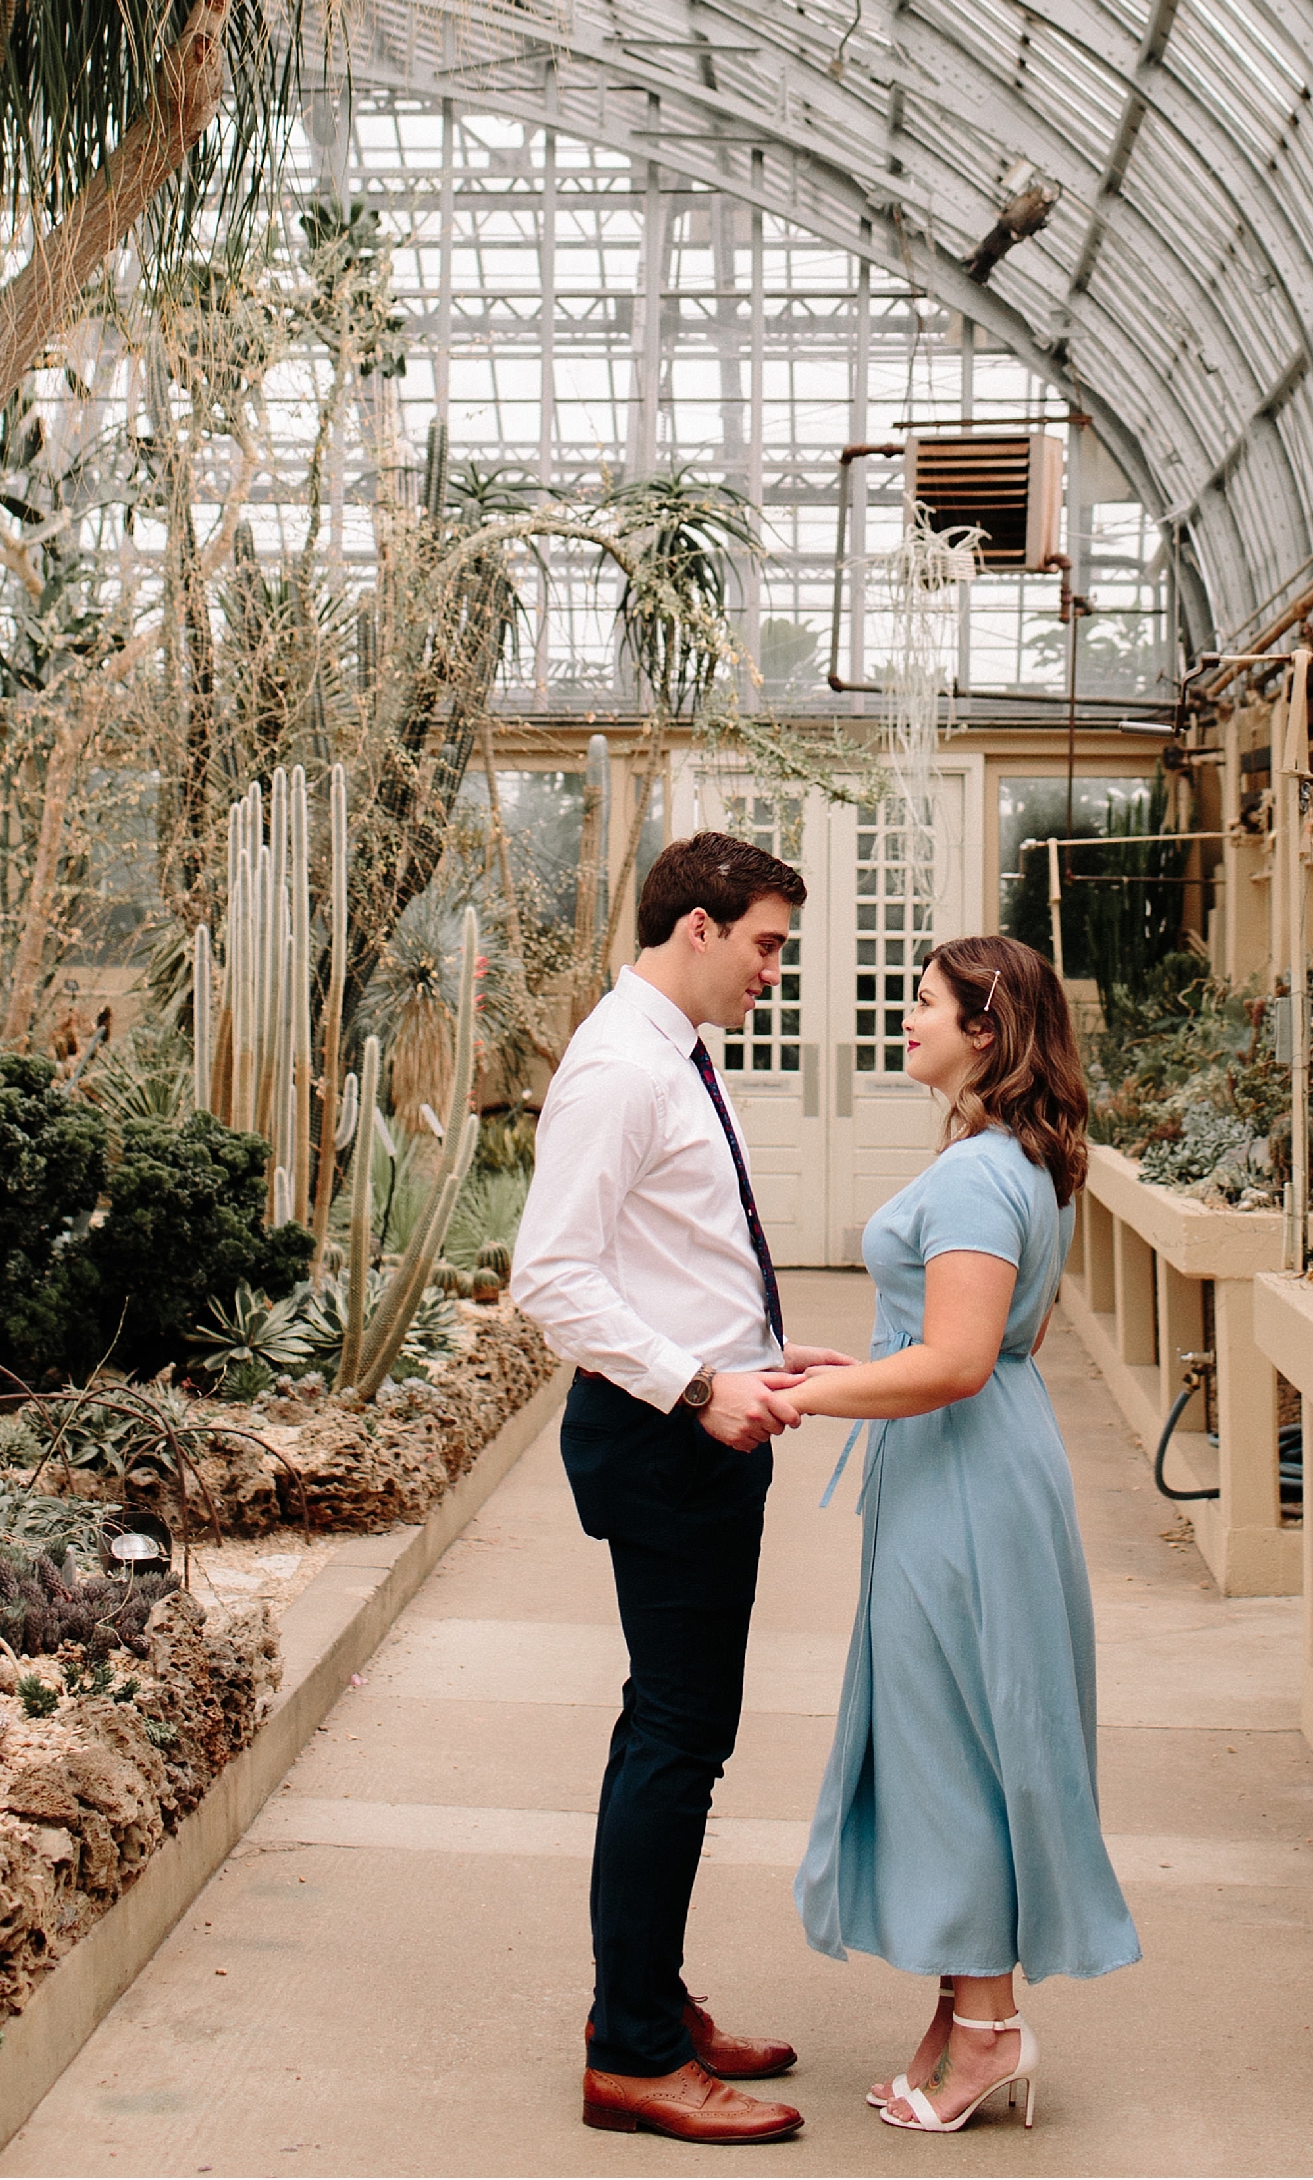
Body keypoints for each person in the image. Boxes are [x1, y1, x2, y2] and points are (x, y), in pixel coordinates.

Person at [514, 829, 850, 2147]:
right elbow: (555, 1276)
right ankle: (634, 2052)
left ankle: (647, 1998)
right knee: (677, 1733)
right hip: (664, 1442)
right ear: (696, 929)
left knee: (676, 1730)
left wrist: (761, 1359)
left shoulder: (670, 1053)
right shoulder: (617, 1068)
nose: (776, 969)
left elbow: (669, 1253)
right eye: (767, 943)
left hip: (694, 1421)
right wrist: (701, 1386)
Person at [781, 932, 1139, 2135]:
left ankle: (986, 2032)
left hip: (968, 1484)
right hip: (967, 1470)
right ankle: (961, 2011)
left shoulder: (985, 1173)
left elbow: (962, 1361)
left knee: (957, 1744)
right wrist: (865, 1362)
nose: (905, 1018)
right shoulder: (1003, 1160)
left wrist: (798, 1395)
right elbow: (996, 1345)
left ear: (985, 1029)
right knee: (952, 1734)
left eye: (922, 1002)